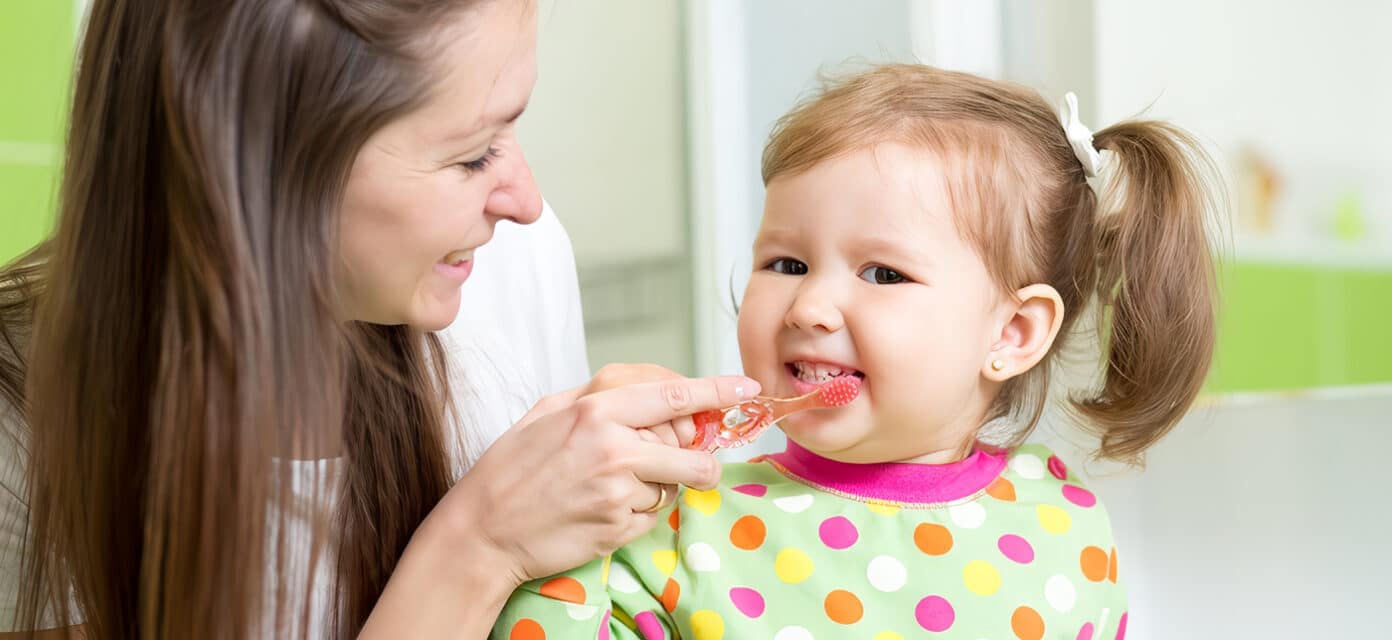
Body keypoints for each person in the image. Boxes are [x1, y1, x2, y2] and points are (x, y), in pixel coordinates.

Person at [0, 1, 759, 638]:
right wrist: (478, 545)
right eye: (472, 155)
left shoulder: (512, 260)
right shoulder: (20, 416)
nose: (524, 201)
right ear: (257, 172)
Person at [491, 63, 1222, 639]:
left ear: (1012, 334)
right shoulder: (684, 522)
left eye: (883, 274)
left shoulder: (1064, 524)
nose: (809, 307)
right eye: (786, 263)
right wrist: (582, 528)